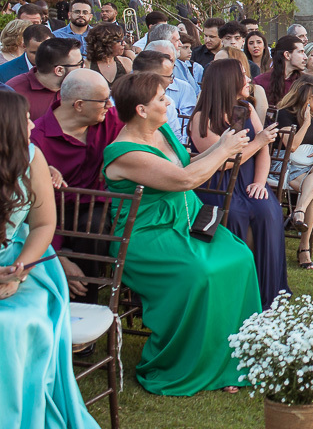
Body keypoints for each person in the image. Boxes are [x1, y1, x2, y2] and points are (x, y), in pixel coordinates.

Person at [102, 72, 258, 395]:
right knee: (201, 273)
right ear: (141, 110)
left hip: (186, 219)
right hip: (145, 234)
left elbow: (189, 163)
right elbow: (185, 180)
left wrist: (222, 152)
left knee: (240, 256)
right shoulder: (125, 152)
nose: (169, 101)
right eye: (161, 98)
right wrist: (222, 148)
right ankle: (188, 361)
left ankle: (235, 356)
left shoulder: (162, 133)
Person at [0, 90, 102, 428]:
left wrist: (19, 271)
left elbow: (43, 224)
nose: (32, 123)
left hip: (25, 260)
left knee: (12, 324)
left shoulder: (31, 157)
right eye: (25, 117)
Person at [190, 59, 286, 308]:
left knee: (268, 211)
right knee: (235, 214)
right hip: (216, 185)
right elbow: (220, 162)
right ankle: (238, 290)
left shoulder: (247, 108)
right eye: (242, 75)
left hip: (249, 179)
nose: (248, 79)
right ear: (226, 81)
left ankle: (270, 294)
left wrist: (260, 182)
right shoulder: (202, 118)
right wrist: (259, 140)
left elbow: (264, 150)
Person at [31, 70, 122, 296]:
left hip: (94, 209)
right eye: (103, 100)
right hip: (49, 214)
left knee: (93, 224)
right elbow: (36, 209)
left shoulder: (107, 121)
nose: (109, 105)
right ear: (79, 105)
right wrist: (58, 255)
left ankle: (86, 301)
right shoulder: (38, 139)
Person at [273, 76, 313, 270]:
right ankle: (304, 247)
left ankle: (298, 211)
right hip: (286, 164)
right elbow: (291, 147)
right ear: (307, 98)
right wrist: (305, 123)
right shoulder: (284, 114)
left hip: (309, 163)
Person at [9, 37, 81, 121]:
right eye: (79, 64)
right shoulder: (14, 93)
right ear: (59, 70)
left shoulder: (82, 87)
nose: (84, 67)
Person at [256, 35, 307, 106]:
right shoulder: (260, 82)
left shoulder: (306, 82)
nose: (305, 57)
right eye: (300, 52)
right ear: (287, 55)